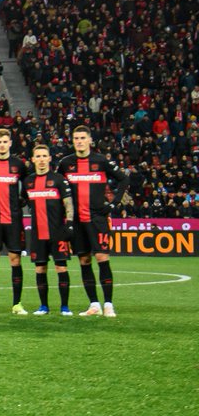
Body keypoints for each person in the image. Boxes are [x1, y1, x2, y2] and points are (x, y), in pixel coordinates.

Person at [58, 124, 128, 318]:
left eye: (82, 138)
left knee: (102, 258)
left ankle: (109, 304)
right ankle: (94, 304)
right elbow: (57, 186)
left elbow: (123, 180)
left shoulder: (100, 161)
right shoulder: (65, 163)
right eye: (76, 138)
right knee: (84, 260)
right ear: (73, 141)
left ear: (90, 140)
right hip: (77, 221)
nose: (79, 141)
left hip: (97, 219)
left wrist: (113, 204)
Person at [0, 128, 29, 315]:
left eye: (5, 141)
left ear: (10, 143)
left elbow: (27, 184)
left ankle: (17, 304)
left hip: (14, 220)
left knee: (15, 260)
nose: (1, 145)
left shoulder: (18, 164)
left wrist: (23, 200)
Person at [23, 143, 75, 316]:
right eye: (38, 156)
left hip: (57, 232)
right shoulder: (28, 182)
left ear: (50, 158)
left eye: (44, 156)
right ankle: (43, 306)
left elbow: (68, 203)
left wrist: (69, 223)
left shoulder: (59, 179)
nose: (41, 160)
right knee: (40, 269)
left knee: (61, 268)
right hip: (38, 233)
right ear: (33, 159)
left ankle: (65, 307)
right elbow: (24, 201)